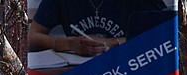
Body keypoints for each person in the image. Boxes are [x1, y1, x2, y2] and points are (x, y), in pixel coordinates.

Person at [28, 0, 172, 56]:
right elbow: (31, 38)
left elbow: (164, 34)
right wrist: (70, 44)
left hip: (130, 69)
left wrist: (114, 43)